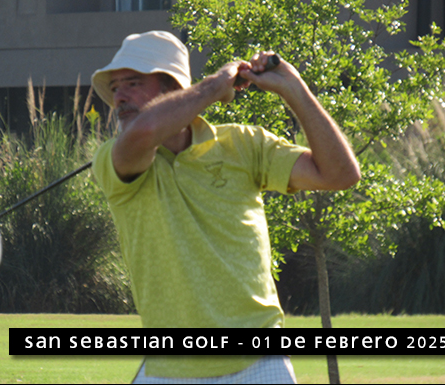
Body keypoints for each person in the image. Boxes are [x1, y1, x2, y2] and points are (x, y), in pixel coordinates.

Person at [90, 30, 360, 384]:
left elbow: (340, 174)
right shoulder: (114, 159)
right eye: (115, 88)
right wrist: (215, 86)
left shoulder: (244, 144)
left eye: (133, 83)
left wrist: (294, 90)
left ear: (173, 87)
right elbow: (146, 130)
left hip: (260, 362)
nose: (119, 98)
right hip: (170, 370)